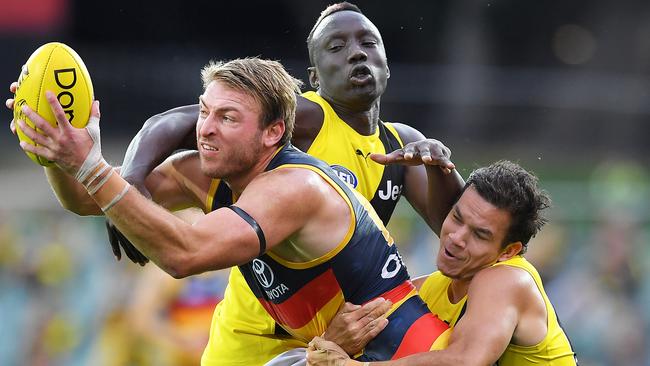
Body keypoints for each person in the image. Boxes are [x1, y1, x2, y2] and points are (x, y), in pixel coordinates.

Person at [90, 2, 465, 364]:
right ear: (315, 78)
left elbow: (461, 235)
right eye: (337, 46)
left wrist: (441, 168)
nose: (356, 53)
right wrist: (132, 178)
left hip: (333, 337)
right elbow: (176, 122)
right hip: (254, 334)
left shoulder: (401, 146)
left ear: (387, 64)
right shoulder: (307, 117)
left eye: (368, 43)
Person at [14, 57, 454, 362]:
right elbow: (88, 200)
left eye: (227, 118)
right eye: (205, 112)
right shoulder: (208, 173)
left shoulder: (294, 187)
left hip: (412, 355)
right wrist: (53, 149)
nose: (204, 129)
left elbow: (185, 254)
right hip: (339, 354)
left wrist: (89, 165)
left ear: (273, 132)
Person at [307, 160, 579, 366]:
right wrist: (331, 343)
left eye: (480, 234)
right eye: (457, 218)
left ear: (509, 251)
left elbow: (463, 361)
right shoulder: (425, 289)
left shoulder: (509, 280)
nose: (456, 238)